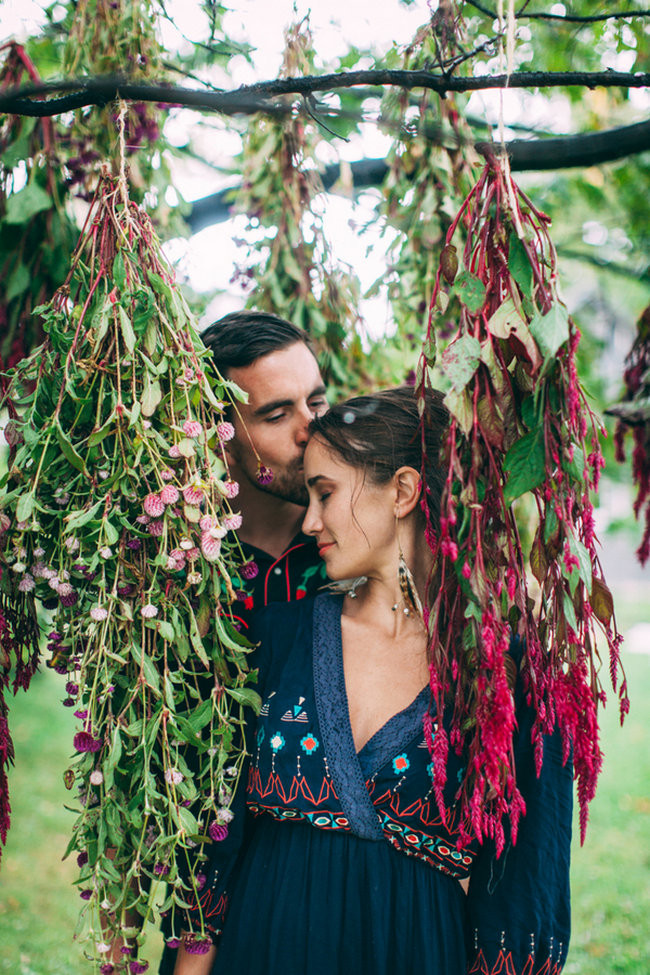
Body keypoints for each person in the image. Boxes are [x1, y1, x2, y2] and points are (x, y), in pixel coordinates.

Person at [171, 386, 573, 975]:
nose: (309, 521)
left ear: (404, 491)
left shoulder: (508, 675)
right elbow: (218, 838)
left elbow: (522, 881)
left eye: (325, 493)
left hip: (412, 951)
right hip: (263, 944)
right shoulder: (273, 634)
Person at [158, 310, 330, 974]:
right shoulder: (186, 578)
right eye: (277, 413)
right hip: (233, 907)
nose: (310, 428)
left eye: (317, 399)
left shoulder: (354, 548)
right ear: (220, 434)